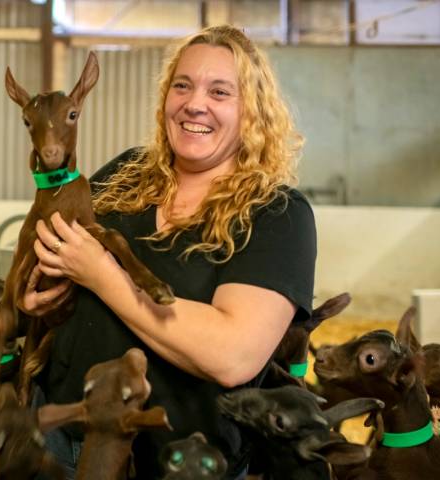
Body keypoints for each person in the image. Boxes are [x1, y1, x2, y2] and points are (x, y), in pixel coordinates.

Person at [23, 24, 317, 479]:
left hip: (181, 461)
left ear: (252, 112)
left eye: (220, 92)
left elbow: (232, 355)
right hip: (60, 442)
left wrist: (103, 275)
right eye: (183, 85)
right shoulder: (126, 173)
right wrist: (37, 300)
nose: (194, 103)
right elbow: (53, 255)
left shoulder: (277, 215)